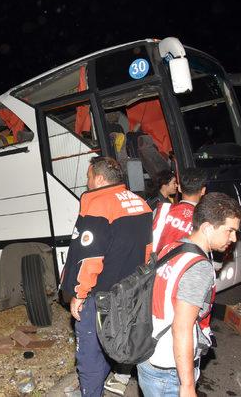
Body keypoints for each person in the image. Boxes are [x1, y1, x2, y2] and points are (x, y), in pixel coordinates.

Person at [137, 192, 241, 397]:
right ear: (207, 227)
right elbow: (182, 326)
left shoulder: (173, 247)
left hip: (147, 353)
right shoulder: (198, 267)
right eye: (230, 230)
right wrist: (187, 385)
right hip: (168, 368)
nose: (234, 238)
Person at [60, 156, 152, 397]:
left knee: (90, 355)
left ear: (99, 179)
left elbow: (91, 257)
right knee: (116, 342)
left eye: (88, 177)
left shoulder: (99, 205)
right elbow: (148, 252)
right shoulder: (140, 203)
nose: (86, 181)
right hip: (130, 292)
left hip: (100, 297)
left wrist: (79, 294)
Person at [152, 168, 207, 254]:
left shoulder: (161, 209)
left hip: (155, 264)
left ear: (180, 188)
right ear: (203, 191)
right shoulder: (205, 220)